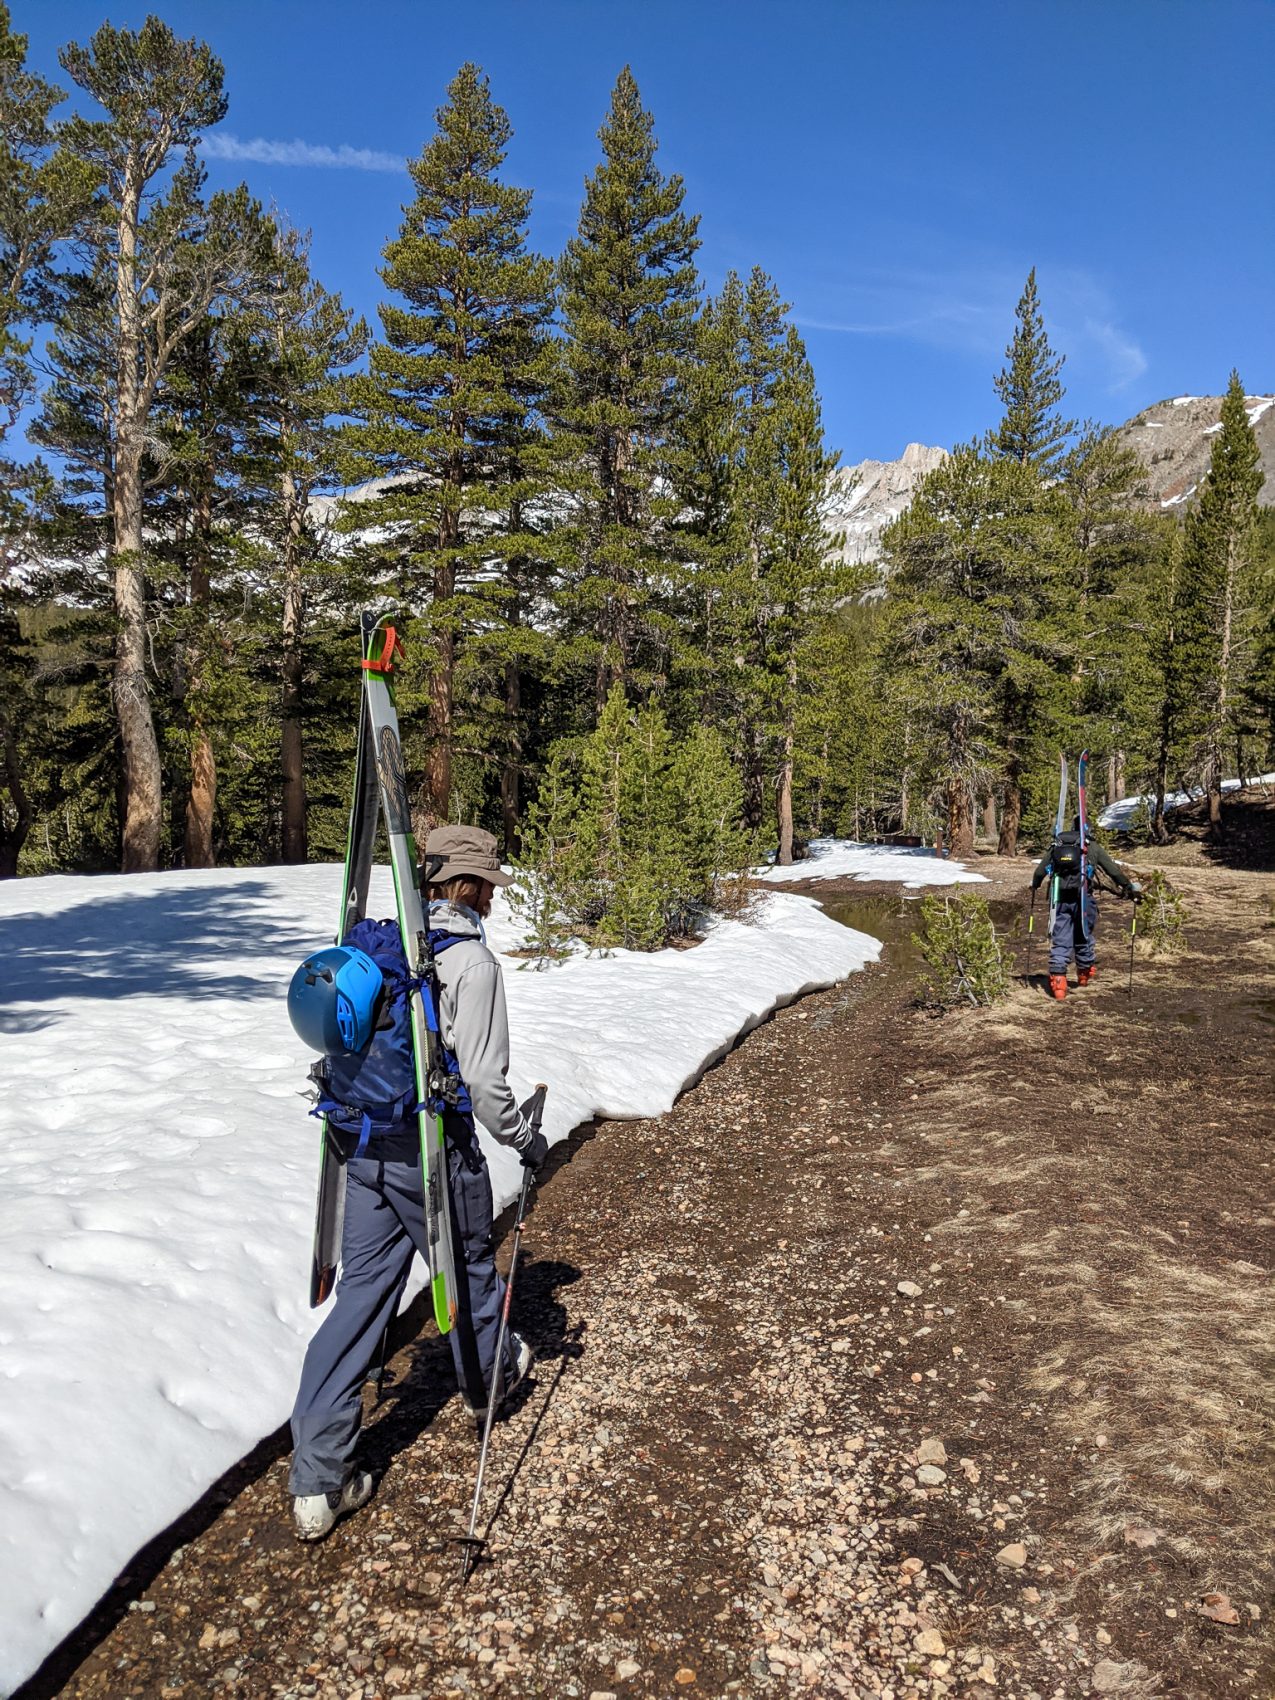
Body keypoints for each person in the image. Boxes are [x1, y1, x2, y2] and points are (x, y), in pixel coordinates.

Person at [286, 825, 548, 1541]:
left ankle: (316, 1479)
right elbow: (487, 1087)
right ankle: (485, 1382)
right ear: (467, 886)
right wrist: (527, 1141)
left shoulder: (384, 949)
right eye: (489, 881)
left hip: (360, 1143)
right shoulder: (469, 963)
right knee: (465, 1271)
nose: (494, 892)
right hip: (431, 1149)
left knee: (361, 1297)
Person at [1031, 816, 1141, 1000]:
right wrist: (1128, 887)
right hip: (1083, 898)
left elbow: (1040, 871)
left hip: (1060, 900)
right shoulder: (1092, 847)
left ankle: (1058, 983)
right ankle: (1084, 975)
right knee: (1083, 935)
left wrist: (1035, 885)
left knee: (1061, 939)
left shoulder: (1057, 845)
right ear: (1087, 829)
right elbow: (1112, 870)